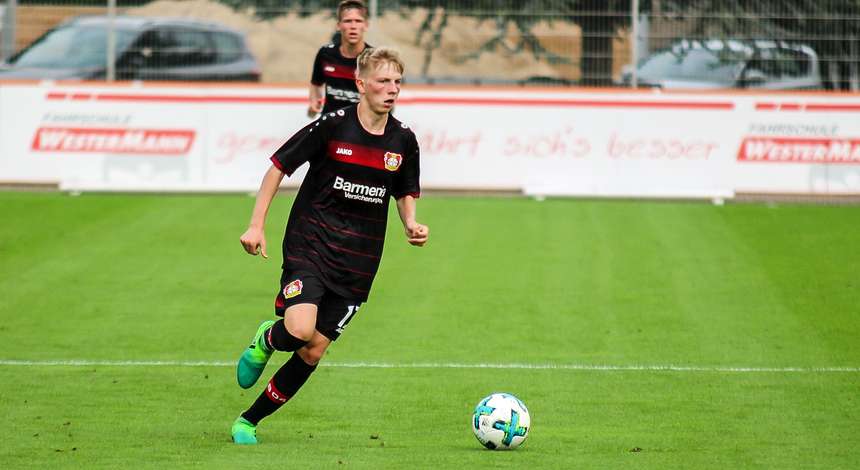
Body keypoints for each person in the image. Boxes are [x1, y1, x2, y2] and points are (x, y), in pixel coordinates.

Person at [231, 46, 429, 445]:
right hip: (312, 243)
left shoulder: (403, 140)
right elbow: (278, 167)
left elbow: (405, 189)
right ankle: (268, 339)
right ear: (360, 84)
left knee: (313, 350)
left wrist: (410, 223)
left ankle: (248, 421)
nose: (392, 89)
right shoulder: (333, 126)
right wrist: (256, 225)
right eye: (383, 81)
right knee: (301, 329)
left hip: (358, 263)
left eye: (397, 82)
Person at [307, 0, 371, 118]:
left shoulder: (374, 58)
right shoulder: (325, 53)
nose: (353, 26)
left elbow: (384, 97)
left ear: (366, 25)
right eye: (347, 21)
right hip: (329, 125)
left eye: (358, 21)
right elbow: (316, 84)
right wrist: (314, 102)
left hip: (361, 128)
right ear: (338, 25)